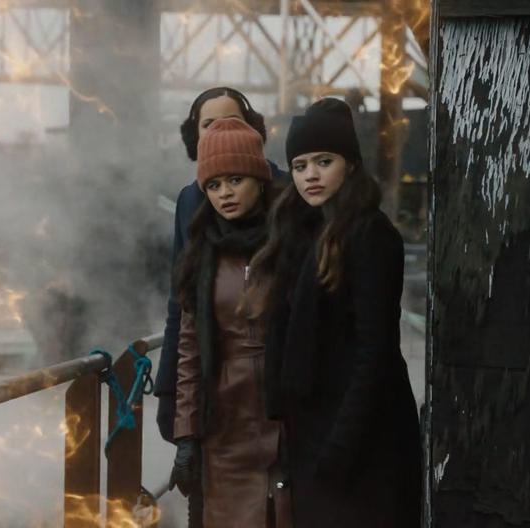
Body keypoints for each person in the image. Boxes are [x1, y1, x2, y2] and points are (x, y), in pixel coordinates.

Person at [250, 98, 422, 526]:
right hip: (316, 434)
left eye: (324, 161)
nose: (310, 175)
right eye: (301, 165)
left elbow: (375, 352)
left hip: (364, 440)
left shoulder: (370, 235)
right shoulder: (303, 235)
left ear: (350, 164)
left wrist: (339, 448)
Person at [168, 118, 291, 527]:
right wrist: (186, 436)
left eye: (235, 180)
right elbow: (190, 352)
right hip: (224, 419)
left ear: (259, 178)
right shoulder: (200, 254)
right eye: (214, 185)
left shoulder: (293, 241)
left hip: (289, 412)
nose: (225, 194)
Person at [154, 87, 286, 443]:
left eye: (232, 122)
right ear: (195, 137)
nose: (220, 132)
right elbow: (179, 302)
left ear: (253, 130)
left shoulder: (287, 191)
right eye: (209, 125)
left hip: (279, 383)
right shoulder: (189, 200)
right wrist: (167, 390)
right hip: (215, 381)